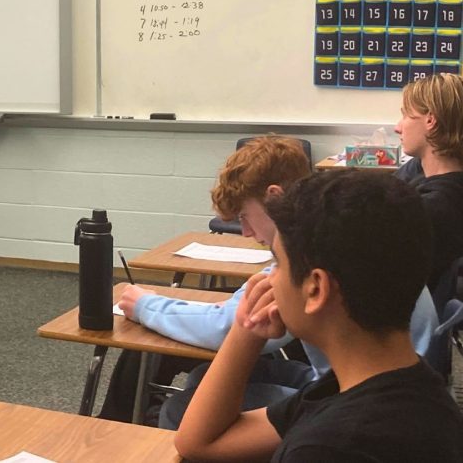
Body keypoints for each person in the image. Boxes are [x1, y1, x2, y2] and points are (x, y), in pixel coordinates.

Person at [102, 136, 437, 427]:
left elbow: (227, 326)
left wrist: (145, 304)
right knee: (205, 380)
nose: (246, 232)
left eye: (246, 216)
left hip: (354, 393)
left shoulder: (311, 257)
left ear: (275, 197)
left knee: (185, 410)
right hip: (385, 380)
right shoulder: (340, 232)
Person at [174, 170, 463, 461]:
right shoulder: (388, 386)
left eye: (277, 263)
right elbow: (199, 443)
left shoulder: (329, 447)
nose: (271, 280)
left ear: (315, 289)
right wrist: (247, 330)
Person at [394, 72, 463, 313]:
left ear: (430, 120)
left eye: (405, 115)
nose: (397, 127)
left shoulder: (437, 207)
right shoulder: (417, 169)